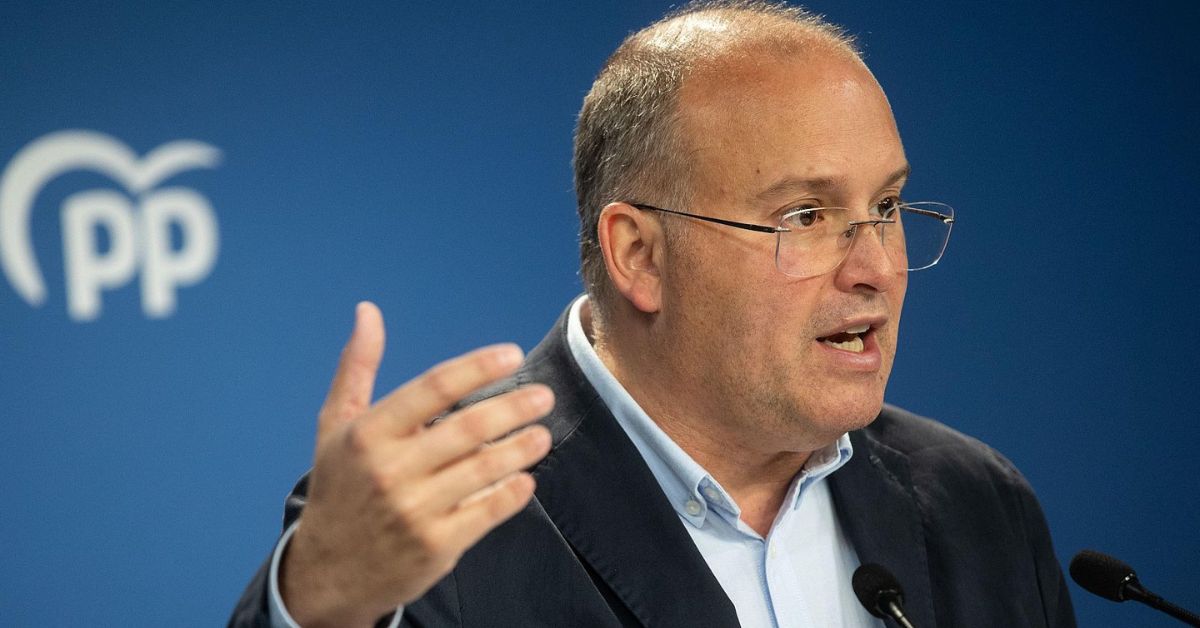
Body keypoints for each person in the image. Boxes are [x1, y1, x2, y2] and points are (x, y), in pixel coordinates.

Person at [230, 2, 1076, 626]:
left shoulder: (978, 504)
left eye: (885, 207)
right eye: (805, 216)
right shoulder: (439, 516)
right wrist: (320, 607)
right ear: (639, 254)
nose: (877, 268)